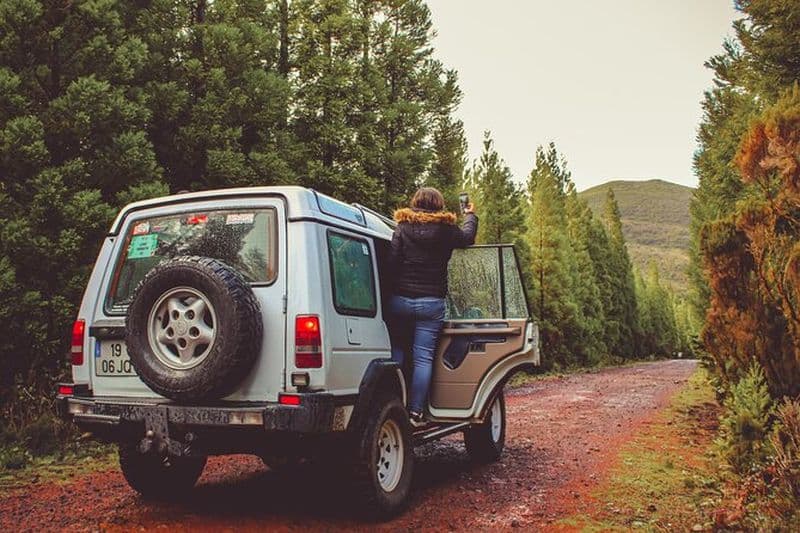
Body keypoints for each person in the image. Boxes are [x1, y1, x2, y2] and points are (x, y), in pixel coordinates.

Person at [387, 187, 478, 426]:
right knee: (423, 358)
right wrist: (470, 215)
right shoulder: (445, 230)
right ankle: (416, 413)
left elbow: (392, 263)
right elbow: (468, 238)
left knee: (396, 351)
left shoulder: (402, 228)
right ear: (439, 204)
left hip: (400, 301)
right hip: (430, 303)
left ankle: (390, 406)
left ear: (415, 202)